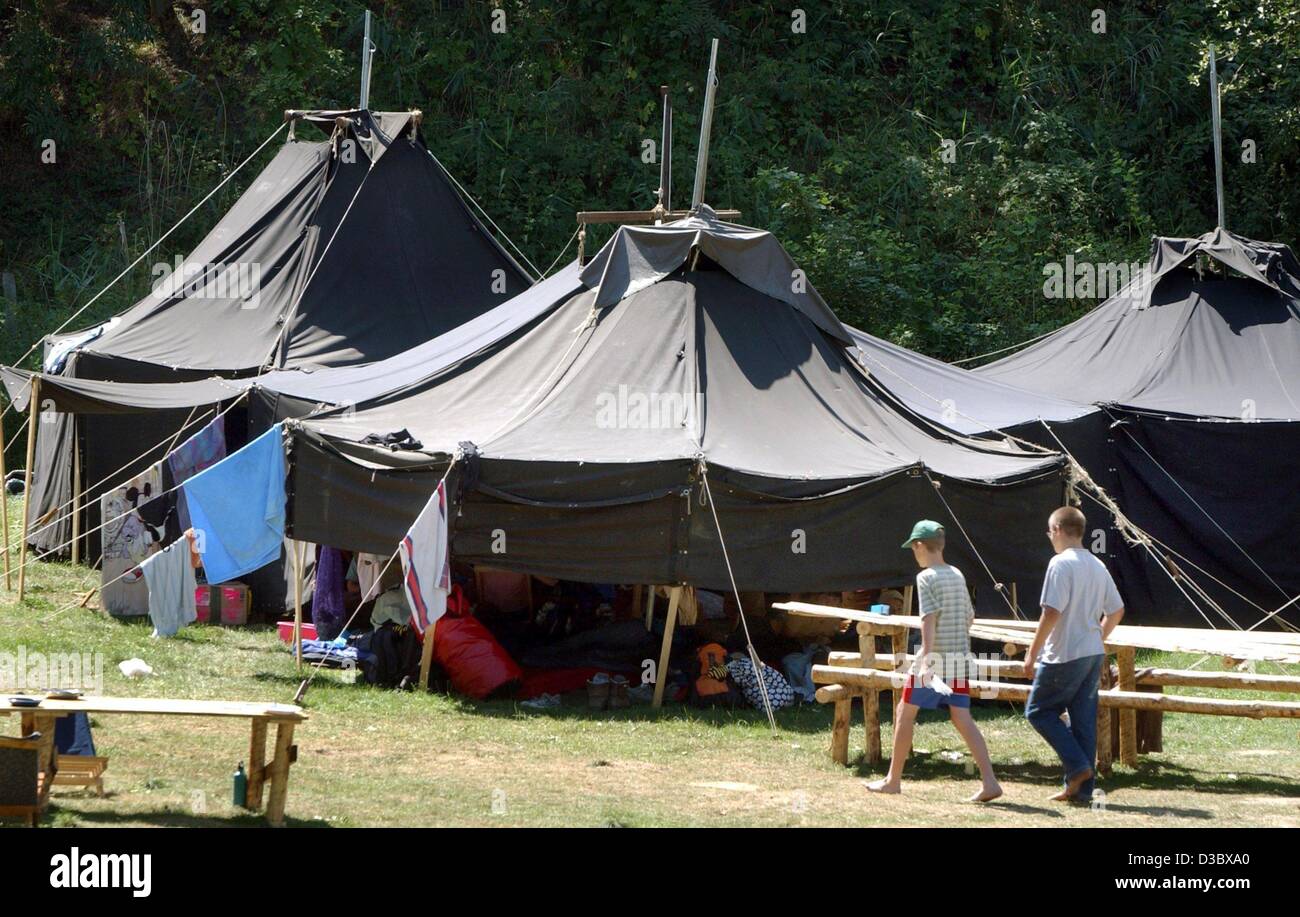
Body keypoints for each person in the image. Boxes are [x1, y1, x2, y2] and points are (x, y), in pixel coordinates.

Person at [866, 520, 1002, 802]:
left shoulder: (926, 577)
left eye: (912, 548)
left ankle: (893, 781)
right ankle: (990, 782)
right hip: (959, 658)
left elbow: (928, 619)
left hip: (935, 659)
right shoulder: (957, 574)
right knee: (962, 717)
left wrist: (926, 657)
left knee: (905, 712)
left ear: (919, 545)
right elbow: (969, 616)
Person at [1023, 506, 1125, 803]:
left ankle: (1078, 767)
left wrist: (1032, 652)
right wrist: (1097, 636)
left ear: (1057, 530)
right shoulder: (1097, 565)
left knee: (1039, 712)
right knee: (1083, 720)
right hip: (1092, 652)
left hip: (1064, 653)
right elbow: (1117, 610)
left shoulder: (1060, 564)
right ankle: (1081, 790)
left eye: (1049, 531)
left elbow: (1052, 611)